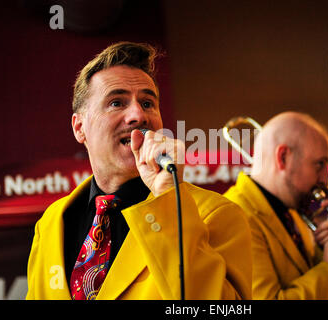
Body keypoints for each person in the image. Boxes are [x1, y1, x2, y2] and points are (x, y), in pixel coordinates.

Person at [26, 42, 252, 300]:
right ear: (79, 127)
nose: (138, 115)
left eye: (147, 103)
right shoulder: (51, 223)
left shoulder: (217, 214)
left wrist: (169, 199)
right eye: (116, 103)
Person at [224, 111, 328, 299]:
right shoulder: (234, 214)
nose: (325, 179)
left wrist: (322, 254)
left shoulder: (294, 215)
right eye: (319, 164)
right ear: (283, 157)